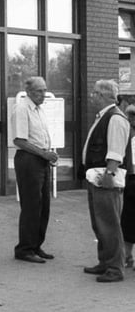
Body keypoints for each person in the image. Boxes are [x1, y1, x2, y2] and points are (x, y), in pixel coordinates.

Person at [81, 79, 131, 283]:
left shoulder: (115, 118)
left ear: (103, 96)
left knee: (109, 224)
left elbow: (116, 150)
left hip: (105, 179)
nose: (92, 97)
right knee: (99, 223)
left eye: (95, 93)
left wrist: (110, 175)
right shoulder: (105, 116)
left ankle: (115, 267)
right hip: (97, 178)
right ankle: (105, 261)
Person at [11, 76, 58, 263]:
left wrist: (49, 154)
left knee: (43, 205)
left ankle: (36, 244)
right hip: (29, 160)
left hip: (41, 159)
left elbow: (40, 136)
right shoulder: (22, 109)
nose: (43, 94)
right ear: (29, 92)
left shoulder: (39, 110)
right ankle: (24, 249)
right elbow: (20, 140)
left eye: (45, 90)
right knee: (31, 205)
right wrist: (43, 154)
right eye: (39, 91)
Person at [121, 104, 135, 268]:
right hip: (130, 179)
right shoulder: (128, 132)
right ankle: (127, 256)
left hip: (131, 179)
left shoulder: (128, 131)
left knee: (128, 221)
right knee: (128, 220)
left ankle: (127, 256)